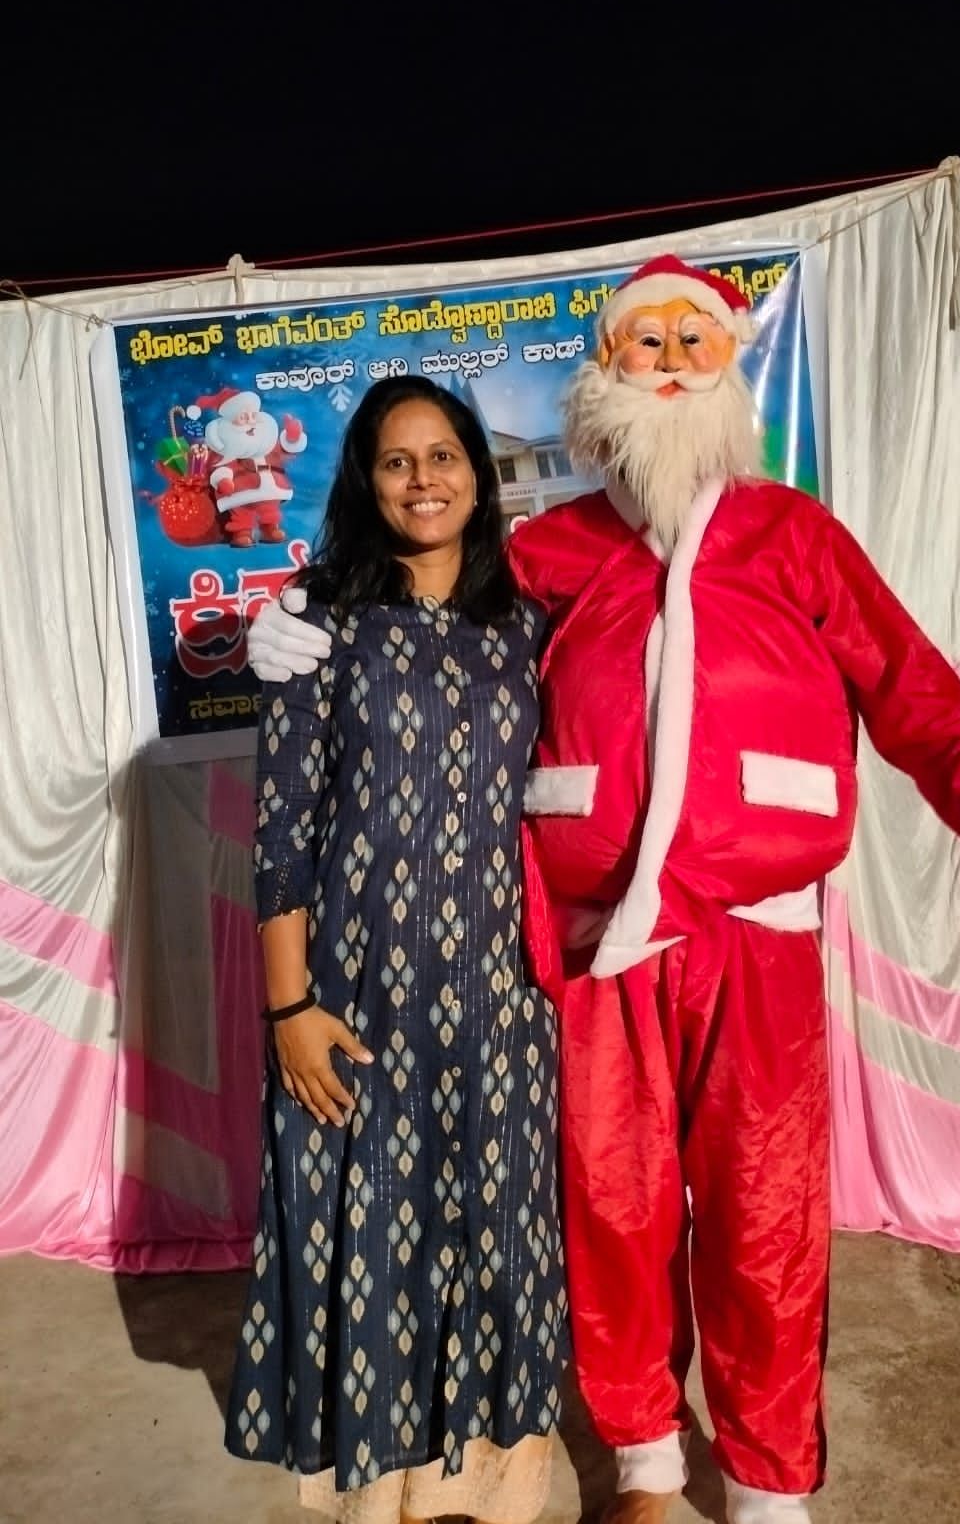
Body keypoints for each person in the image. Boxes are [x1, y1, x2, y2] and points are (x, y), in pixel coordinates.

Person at [248, 255, 960, 1524]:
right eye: (644, 341)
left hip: (757, 940)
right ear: (607, 367)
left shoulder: (795, 535)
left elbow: (910, 685)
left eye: (694, 339)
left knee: (764, 1213)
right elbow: (428, 625)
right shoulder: (550, 551)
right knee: (610, 1209)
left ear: (729, 364)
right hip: (600, 948)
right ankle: (644, 1457)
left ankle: (764, 1479)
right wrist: (300, 625)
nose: (670, 363)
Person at [226, 376, 566, 1524]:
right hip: (359, 997)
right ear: (367, 484)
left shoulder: (527, 624)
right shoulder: (319, 622)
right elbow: (282, 833)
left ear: (478, 469)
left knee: (497, 1233)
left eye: (443, 455)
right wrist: (290, 1011)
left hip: (500, 997)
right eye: (396, 460)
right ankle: (381, 1493)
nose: (424, 480)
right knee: (376, 1237)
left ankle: (485, 1485)